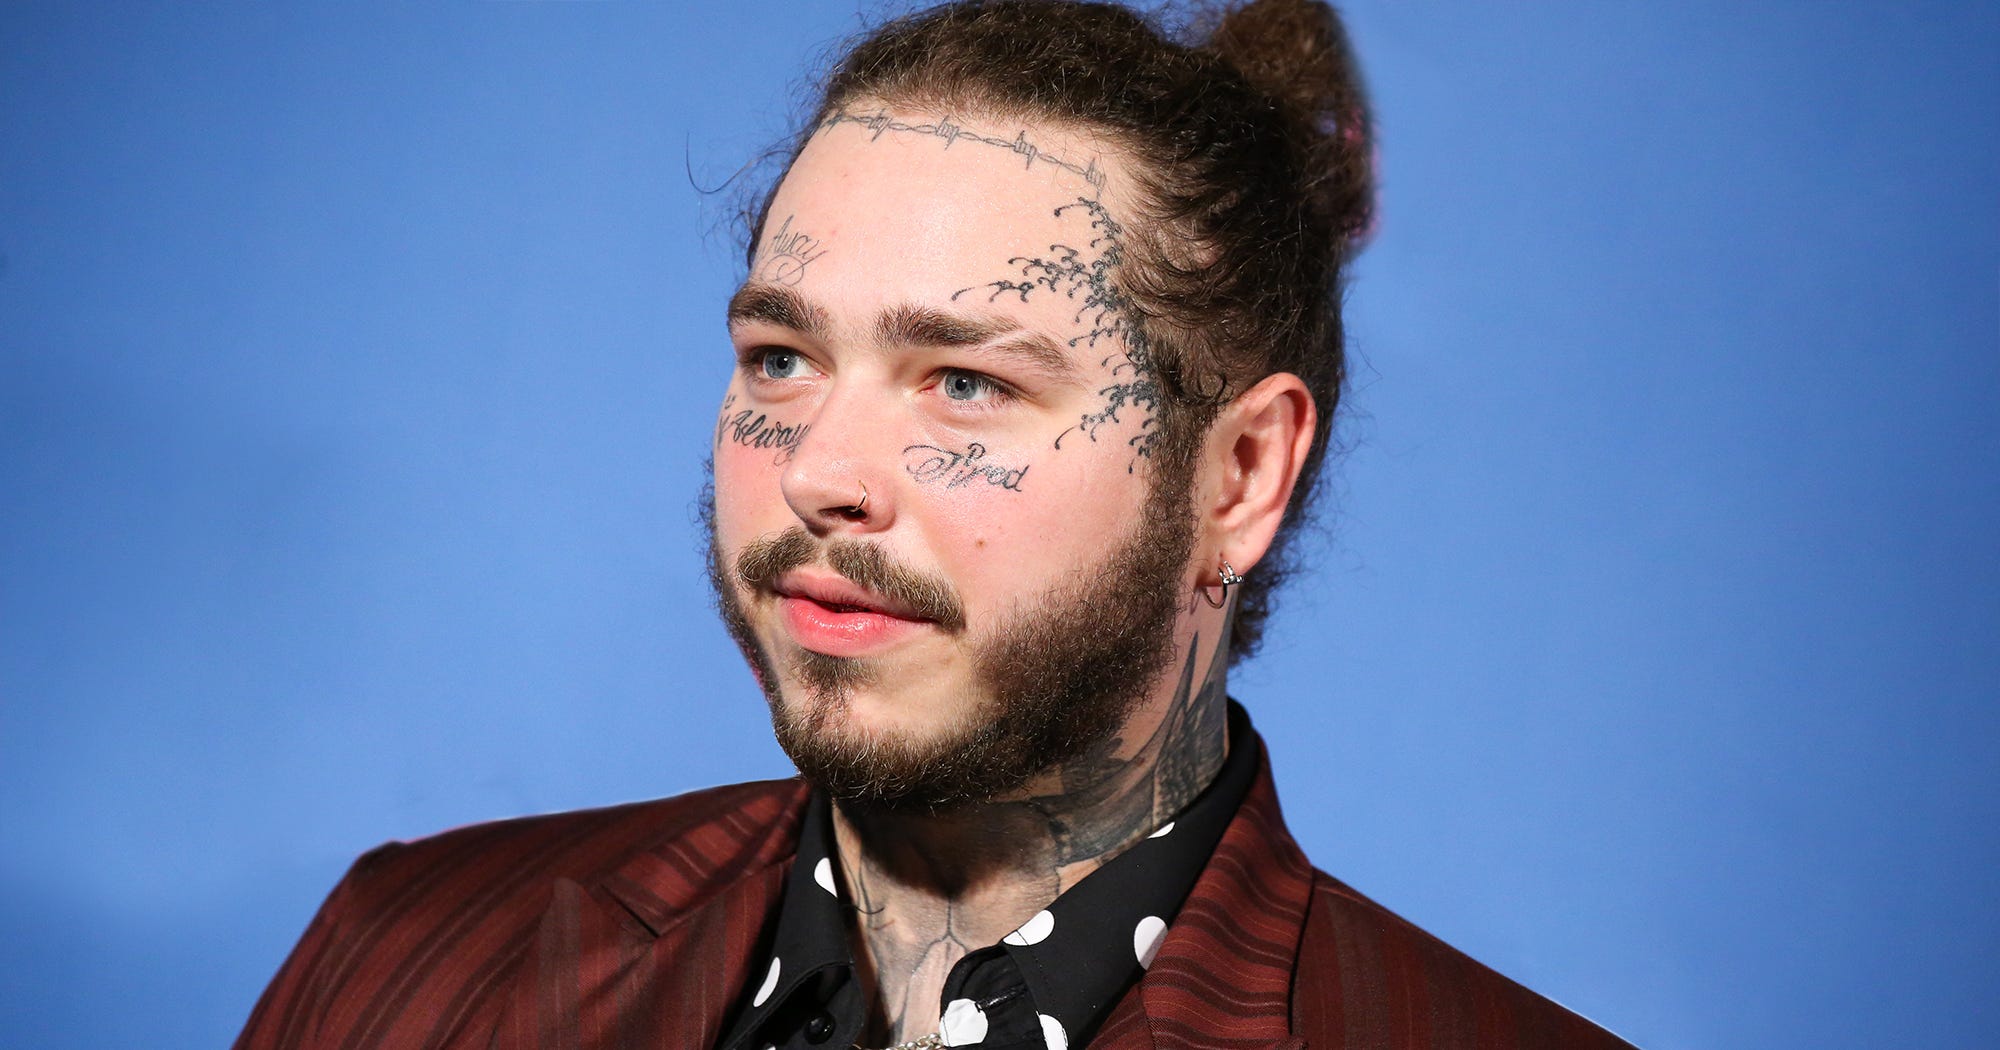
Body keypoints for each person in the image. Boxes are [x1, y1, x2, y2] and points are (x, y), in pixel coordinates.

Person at [237, 2, 1637, 1047]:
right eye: (782, 358)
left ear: (1239, 476)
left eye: (965, 381)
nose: (820, 473)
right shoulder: (407, 958)